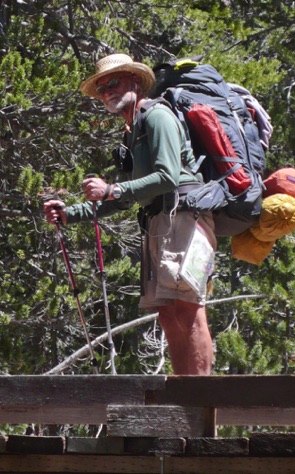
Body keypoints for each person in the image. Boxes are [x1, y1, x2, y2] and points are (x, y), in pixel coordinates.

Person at [44, 53, 217, 375]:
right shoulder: (132, 131)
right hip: (159, 222)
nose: (107, 91)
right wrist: (70, 213)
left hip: (185, 216)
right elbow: (124, 197)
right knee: (167, 312)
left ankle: (201, 400)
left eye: (113, 82)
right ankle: (183, 394)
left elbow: (168, 176)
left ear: (135, 82)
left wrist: (111, 189)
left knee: (188, 308)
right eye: (101, 89)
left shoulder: (157, 117)